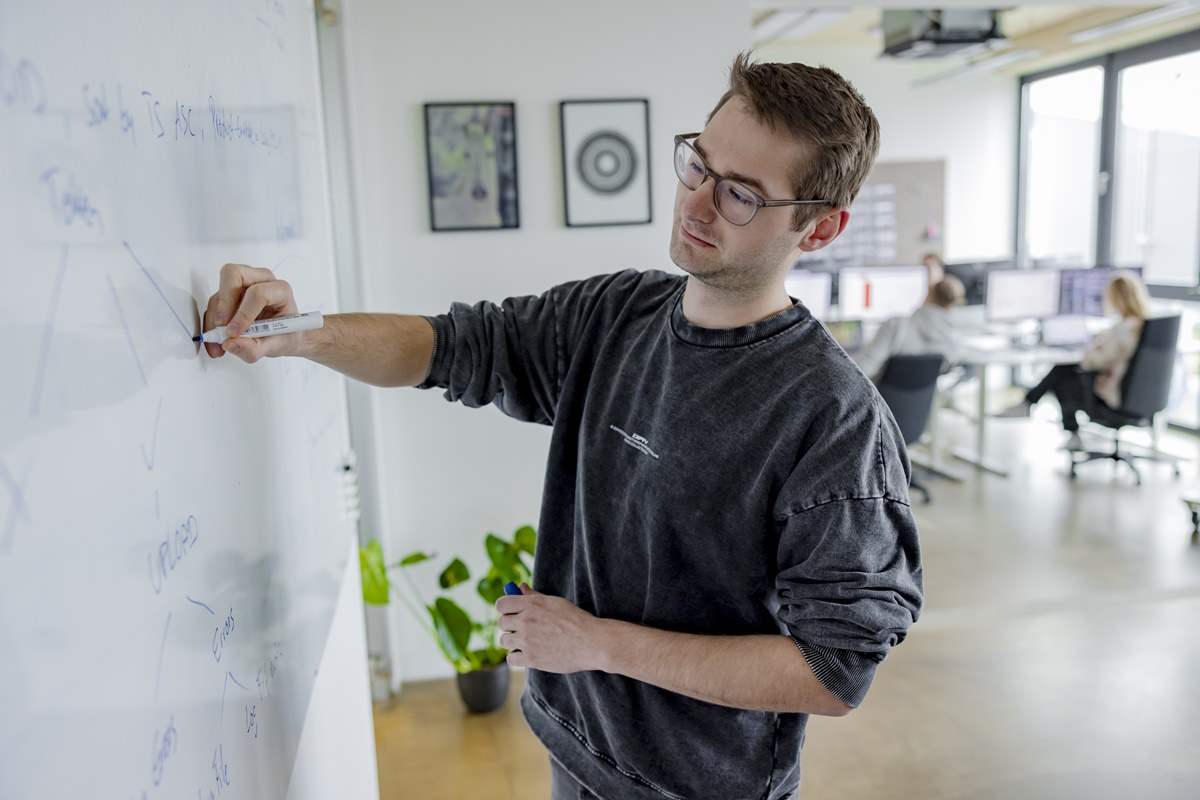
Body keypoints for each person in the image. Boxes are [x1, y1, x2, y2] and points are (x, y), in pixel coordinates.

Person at [201, 53, 923, 800]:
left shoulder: (833, 419)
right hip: (574, 752)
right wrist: (302, 333)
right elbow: (451, 346)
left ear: (821, 229)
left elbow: (832, 671)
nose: (697, 204)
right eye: (696, 166)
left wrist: (597, 646)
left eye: (741, 195)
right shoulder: (615, 316)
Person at [995, 270, 1152, 450]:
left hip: (1115, 396)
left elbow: (1090, 362)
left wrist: (1096, 343)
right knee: (1066, 371)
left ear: (1117, 298)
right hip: (1139, 396)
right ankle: (1031, 405)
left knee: (1064, 378)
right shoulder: (1147, 326)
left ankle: (1033, 407)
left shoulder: (1122, 330)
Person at [853, 274, 966, 382]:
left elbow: (862, 371)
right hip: (923, 402)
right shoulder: (952, 341)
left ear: (929, 294)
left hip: (879, 400)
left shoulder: (895, 326)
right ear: (953, 305)